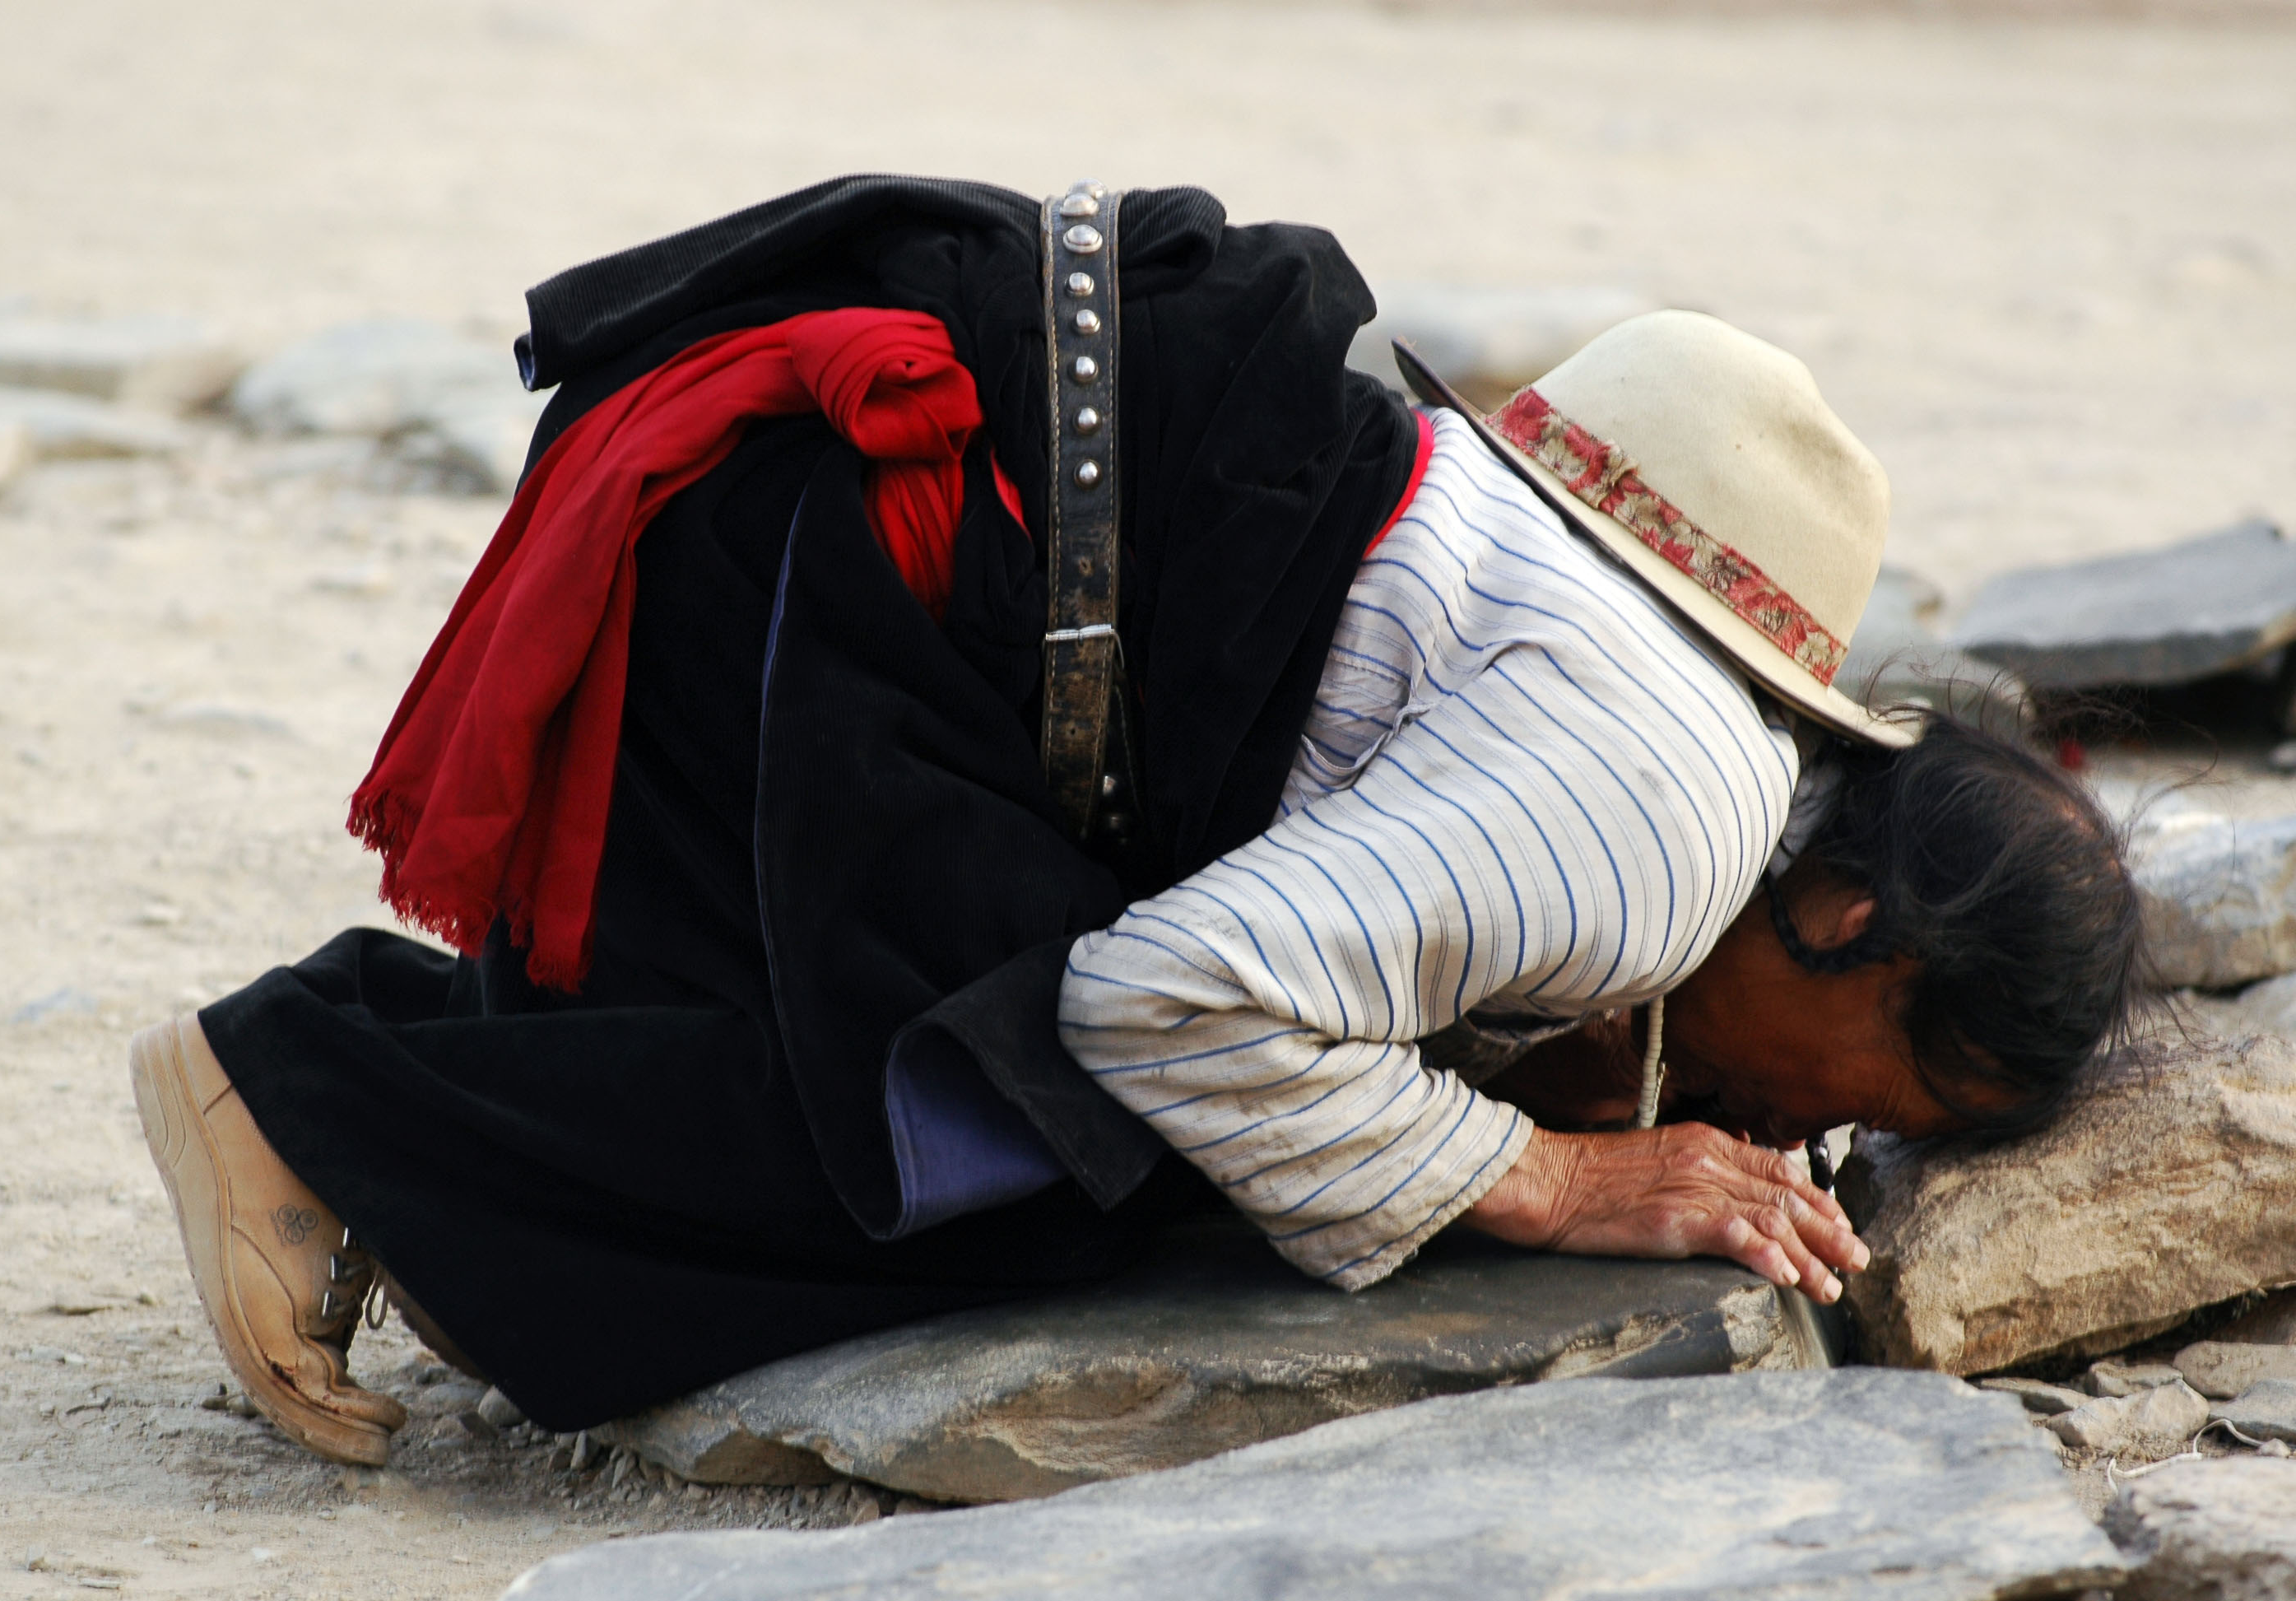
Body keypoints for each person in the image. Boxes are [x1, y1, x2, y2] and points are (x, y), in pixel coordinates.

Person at [128, 177, 2150, 1469]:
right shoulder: (1667, 822)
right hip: (843, 536)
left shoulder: (1644, 742)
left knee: (937, 1081)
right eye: (1893, 1099)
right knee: (1016, 1149)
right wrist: (1544, 1181)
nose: (1815, 1144)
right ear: (1847, 917)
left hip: (834, 526)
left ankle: (362, 1137)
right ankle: (303, 1095)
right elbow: (1169, 1001)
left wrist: (1526, 1106)